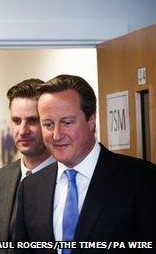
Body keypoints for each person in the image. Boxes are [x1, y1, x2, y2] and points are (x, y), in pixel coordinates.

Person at [15, 75, 156, 253]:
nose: (57, 135)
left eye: (67, 123)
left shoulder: (141, 179)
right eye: (48, 124)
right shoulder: (30, 188)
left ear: (91, 120)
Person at [0, 79, 55, 254]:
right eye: (16, 121)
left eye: (32, 121)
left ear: (48, 122)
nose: (22, 130)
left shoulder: (68, 177)